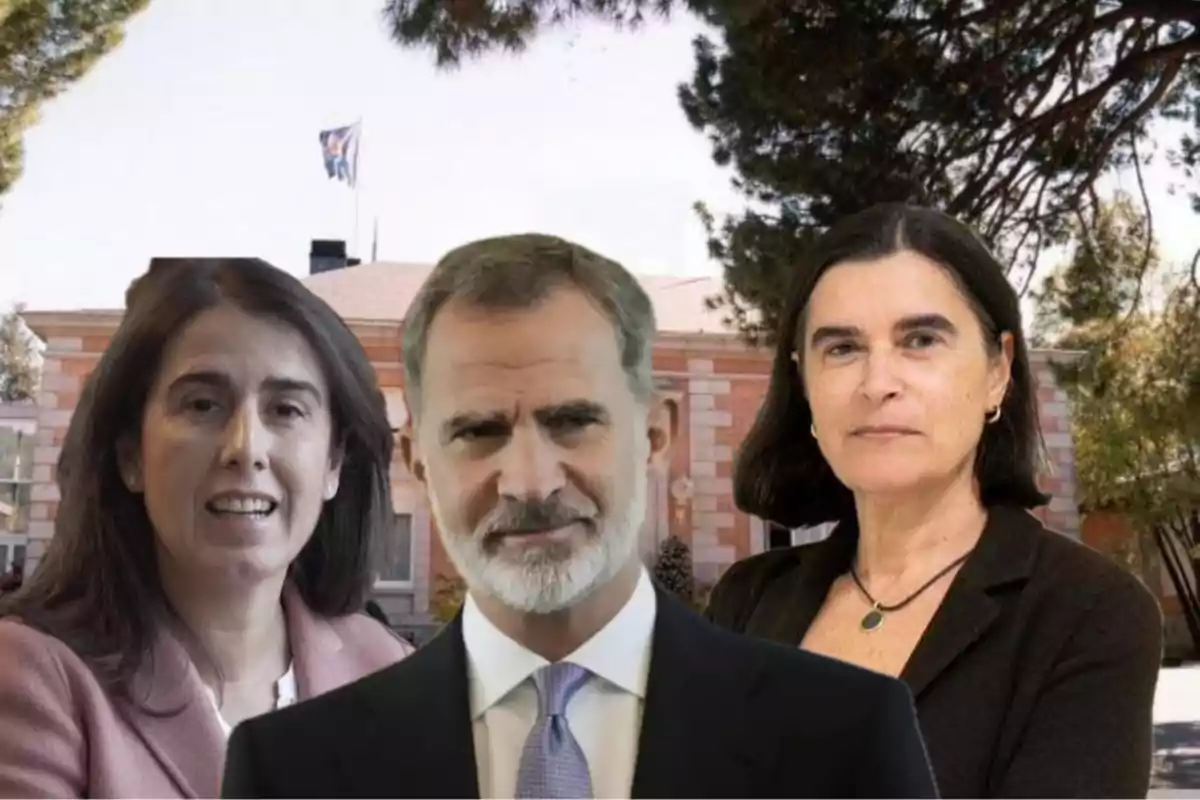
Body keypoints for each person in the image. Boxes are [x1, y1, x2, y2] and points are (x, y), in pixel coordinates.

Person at [221, 234, 937, 799]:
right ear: (415, 460)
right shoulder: (289, 772)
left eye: (572, 422)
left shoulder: (845, 738)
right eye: (478, 431)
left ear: (655, 434)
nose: (530, 481)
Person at [703, 204, 1163, 798]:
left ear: (998, 371)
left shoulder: (1088, 614)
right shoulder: (746, 603)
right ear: (805, 383)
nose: (877, 382)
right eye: (841, 348)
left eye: (920, 340)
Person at [0, 258, 413, 798]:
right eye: (202, 404)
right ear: (131, 456)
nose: (246, 447)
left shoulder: (389, 674)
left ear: (334, 464)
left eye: (286, 410)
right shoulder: (32, 681)